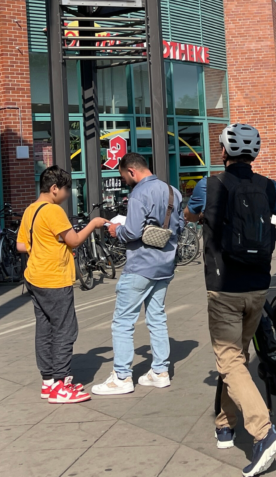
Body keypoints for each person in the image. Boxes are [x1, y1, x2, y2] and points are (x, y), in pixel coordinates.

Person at [184, 123, 276, 477]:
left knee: (229, 362)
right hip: (258, 287)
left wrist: (200, 215)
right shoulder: (270, 187)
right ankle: (224, 425)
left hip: (223, 287)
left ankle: (264, 433)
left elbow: (190, 215)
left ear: (223, 152)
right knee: (236, 358)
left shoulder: (210, 184)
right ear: (254, 154)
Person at [92, 153, 183, 396]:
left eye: (124, 176)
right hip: (165, 265)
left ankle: (121, 377)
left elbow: (131, 232)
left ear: (132, 171)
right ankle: (160, 372)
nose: (125, 181)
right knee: (157, 318)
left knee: (123, 322)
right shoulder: (173, 191)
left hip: (141, 265)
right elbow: (181, 226)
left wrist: (115, 229)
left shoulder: (139, 193)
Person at [16, 166, 108, 404]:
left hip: (35, 277)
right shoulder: (53, 211)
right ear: (54, 188)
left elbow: (21, 246)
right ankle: (61, 383)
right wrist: (94, 224)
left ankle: (48, 382)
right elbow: (75, 241)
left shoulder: (30, 210)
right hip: (54, 278)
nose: (68, 194)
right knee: (66, 330)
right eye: (66, 189)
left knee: (45, 329)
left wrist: (46, 244)